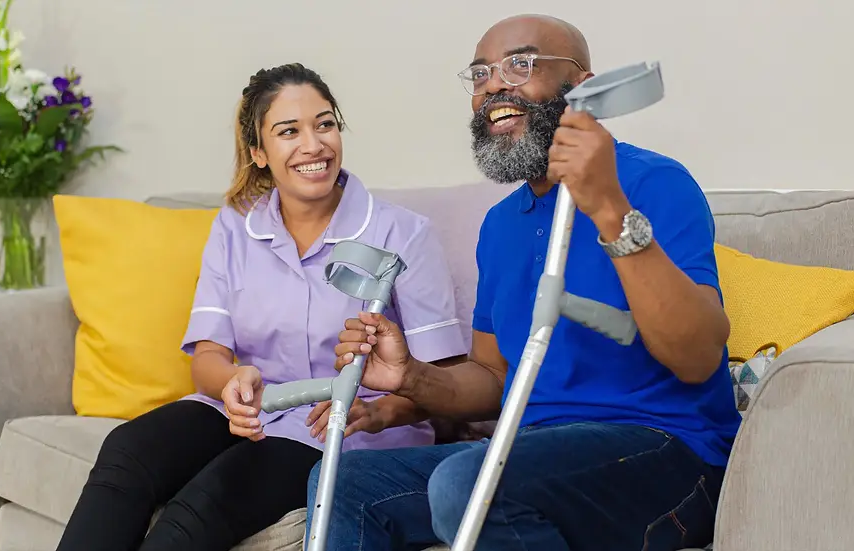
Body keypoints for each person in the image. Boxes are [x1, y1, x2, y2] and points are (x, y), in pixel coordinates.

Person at [306, 14, 743, 551]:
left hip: (667, 451)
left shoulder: (656, 183)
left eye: (521, 64)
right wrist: (412, 377)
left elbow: (698, 356)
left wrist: (607, 204)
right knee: (345, 484)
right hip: (534, 449)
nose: (494, 84)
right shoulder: (501, 225)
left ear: (582, 88)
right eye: (481, 72)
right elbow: (493, 376)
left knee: (467, 485)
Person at [55, 63, 468, 551]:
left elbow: (446, 383)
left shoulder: (403, 234)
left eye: (325, 123)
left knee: (206, 502)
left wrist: (380, 414)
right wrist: (231, 382)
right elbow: (207, 357)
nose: (313, 145)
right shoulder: (235, 227)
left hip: (343, 426)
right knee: (126, 452)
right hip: (248, 411)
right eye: (289, 131)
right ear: (258, 152)